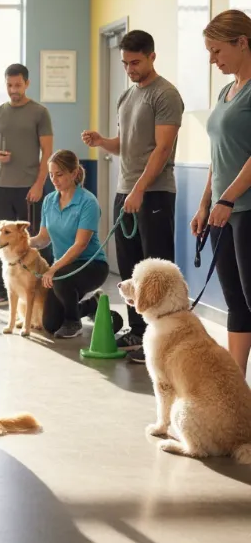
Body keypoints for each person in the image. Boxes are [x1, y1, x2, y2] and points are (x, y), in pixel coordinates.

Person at [82, 30, 183, 364]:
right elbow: (123, 145)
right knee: (129, 268)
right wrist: (101, 141)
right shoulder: (127, 97)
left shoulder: (165, 94)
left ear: (152, 56)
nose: (130, 68)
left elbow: (163, 148)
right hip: (126, 192)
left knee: (154, 273)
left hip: (153, 193)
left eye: (135, 62)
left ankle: (163, 338)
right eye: (125, 63)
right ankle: (138, 331)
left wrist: (140, 188)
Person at [194, 9, 251, 377]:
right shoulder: (225, 91)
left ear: (242, 43)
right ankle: (236, 385)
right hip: (221, 212)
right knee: (236, 301)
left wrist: (229, 198)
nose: (213, 60)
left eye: (217, 51)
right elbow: (218, 155)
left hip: (245, 210)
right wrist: (206, 203)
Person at [0, 63, 53, 310]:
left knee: (29, 243)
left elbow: (48, 153)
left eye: (18, 85)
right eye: (10, 85)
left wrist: (39, 184)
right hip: (1, 185)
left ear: (27, 84)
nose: (14, 90)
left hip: (29, 188)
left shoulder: (40, 112)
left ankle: (36, 290)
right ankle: (0, 291)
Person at [29, 150, 120, 339]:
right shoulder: (49, 201)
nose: (54, 179)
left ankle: (74, 322)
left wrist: (52, 269)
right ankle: (91, 305)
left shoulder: (88, 202)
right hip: (63, 269)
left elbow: (80, 245)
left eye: (59, 174)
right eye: (51, 175)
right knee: (51, 325)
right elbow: (43, 238)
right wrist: (21, 243)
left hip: (91, 265)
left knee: (60, 277)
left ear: (74, 173)